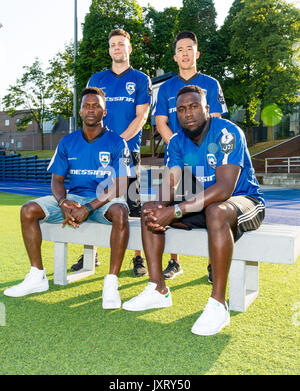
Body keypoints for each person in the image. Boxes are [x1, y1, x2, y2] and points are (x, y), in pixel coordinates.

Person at [122, 85, 265, 336]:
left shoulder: (227, 133)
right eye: (182, 109)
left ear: (207, 108)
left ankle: (218, 304)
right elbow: (170, 182)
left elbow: (224, 189)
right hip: (204, 204)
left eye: (194, 106)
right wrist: (159, 206)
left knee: (216, 212)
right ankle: (158, 288)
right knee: (150, 210)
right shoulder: (177, 141)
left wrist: (175, 211)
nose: (188, 113)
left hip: (243, 202)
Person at [4, 87, 132, 310]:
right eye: (86, 106)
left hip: (102, 200)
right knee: (28, 210)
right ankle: (37, 276)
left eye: (96, 106)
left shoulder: (117, 142)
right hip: (73, 197)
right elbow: (57, 180)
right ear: (80, 111)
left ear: (104, 112)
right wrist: (63, 203)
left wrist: (89, 207)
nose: (91, 109)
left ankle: (111, 283)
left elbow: (120, 185)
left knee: (121, 211)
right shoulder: (67, 142)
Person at [71, 28, 152, 277]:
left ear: (129, 49)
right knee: (91, 199)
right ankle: (90, 254)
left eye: (121, 44)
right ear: (109, 50)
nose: (117, 48)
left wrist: (117, 142)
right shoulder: (96, 78)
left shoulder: (140, 79)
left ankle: (138, 259)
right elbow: (87, 113)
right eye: (113, 44)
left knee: (133, 207)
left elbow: (142, 116)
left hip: (128, 152)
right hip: (96, 154)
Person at [155, 31, 228, 280]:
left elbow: (217, 121)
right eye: (180, 50)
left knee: (209, 204)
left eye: (189, 49)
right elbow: (161, 122)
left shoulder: (211, 83)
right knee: (172, 204)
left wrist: (199, 151)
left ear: (196, 53)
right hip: (177, 160)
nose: (185, 53)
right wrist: (180, 147)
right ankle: (174, 261)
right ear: (175, 57)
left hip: (207, 159)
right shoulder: (166, 88)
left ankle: (212, 264)